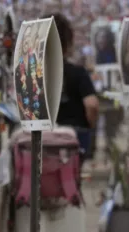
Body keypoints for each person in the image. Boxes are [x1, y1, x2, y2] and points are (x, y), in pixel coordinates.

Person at [50, 13, 99, 163]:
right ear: (68, 43)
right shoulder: (78, 73)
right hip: (74, 140)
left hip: (43, 140)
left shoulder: (34, 75)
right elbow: (92, 105)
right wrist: (90, 125)